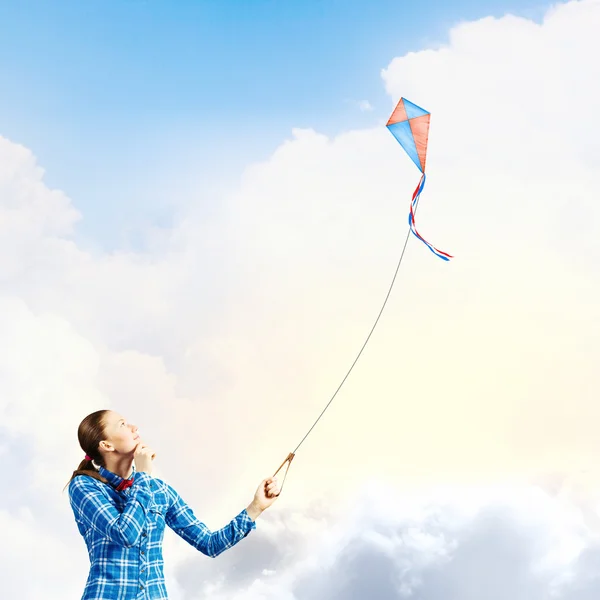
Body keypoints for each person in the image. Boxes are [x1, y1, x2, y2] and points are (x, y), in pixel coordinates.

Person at [65, 409, 280, 600]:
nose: (133, 427)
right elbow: (125, 534)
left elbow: (209, 544)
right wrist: (142, 475)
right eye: (122, 424)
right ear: (106, 444)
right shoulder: (84, 486)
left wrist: (256, 507)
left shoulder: (159, 490)